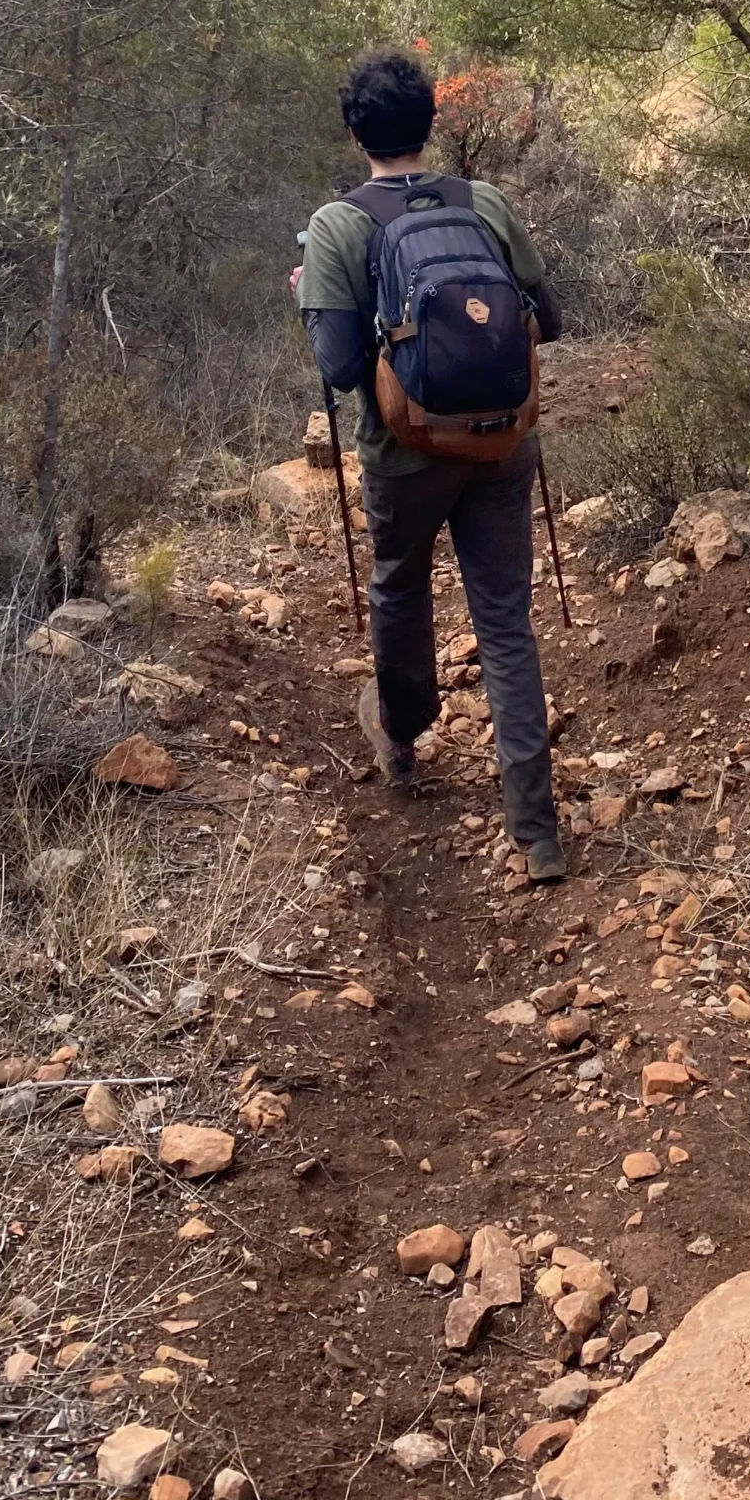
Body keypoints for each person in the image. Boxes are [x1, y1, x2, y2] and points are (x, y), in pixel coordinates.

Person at [292, 49, 568, 885]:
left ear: (354, 133)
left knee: (400, 592)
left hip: (404, 455)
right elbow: (546, 322)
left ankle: (404, 746)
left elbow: (341, 369)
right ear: (432, 122)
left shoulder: (339, 225)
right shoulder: (483, 202)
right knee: (505, 622)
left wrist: (308, 295)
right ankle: (538, 830)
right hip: (497, 445)